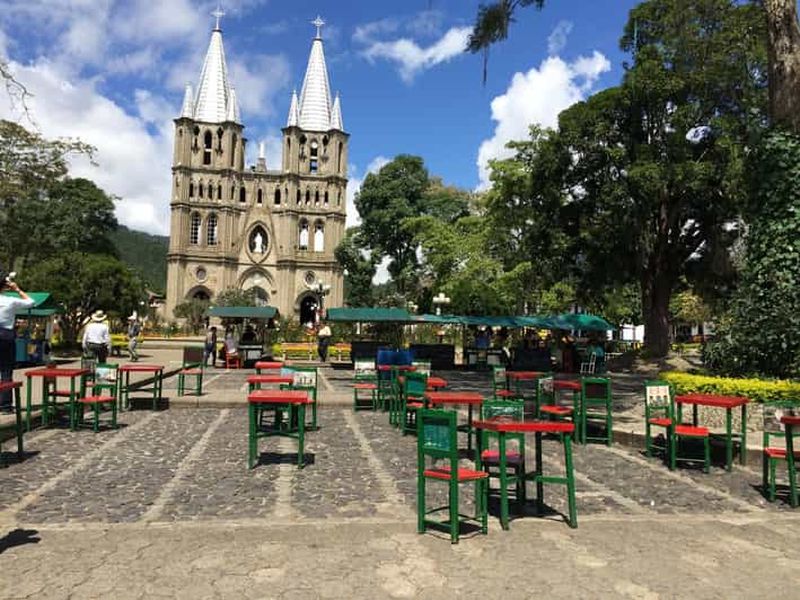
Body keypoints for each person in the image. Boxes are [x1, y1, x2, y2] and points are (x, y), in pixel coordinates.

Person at [0, 272, 34, 412]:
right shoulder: (10, 301)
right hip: (6, 335)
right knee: (6, 371)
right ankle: (5, 405)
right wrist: (17, 289)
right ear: (5, 286)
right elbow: (31, 302)